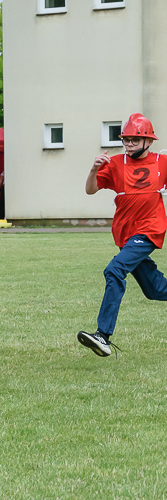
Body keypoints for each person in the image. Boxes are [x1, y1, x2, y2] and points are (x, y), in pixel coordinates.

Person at [78, 113, 167, 357]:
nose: (128, 144)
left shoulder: (162, 161)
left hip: (149, 230)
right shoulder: (115, 163)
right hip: (125, 235)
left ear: (148, 141)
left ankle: (102, 336)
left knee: (114, 270)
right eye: (126, 139)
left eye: (134, 140)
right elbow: (90, 190)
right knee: (155, 290)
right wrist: (94, 169)